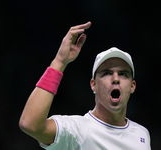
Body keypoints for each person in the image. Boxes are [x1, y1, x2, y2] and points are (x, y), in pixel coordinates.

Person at [19, 22, 151, 150]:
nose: (116, 79)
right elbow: (30, 124)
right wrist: (59, 61)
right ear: (94, 85)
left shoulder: (142, 134)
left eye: (123, 74)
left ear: (132, 86)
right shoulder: (77, 130)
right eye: (107, 73)